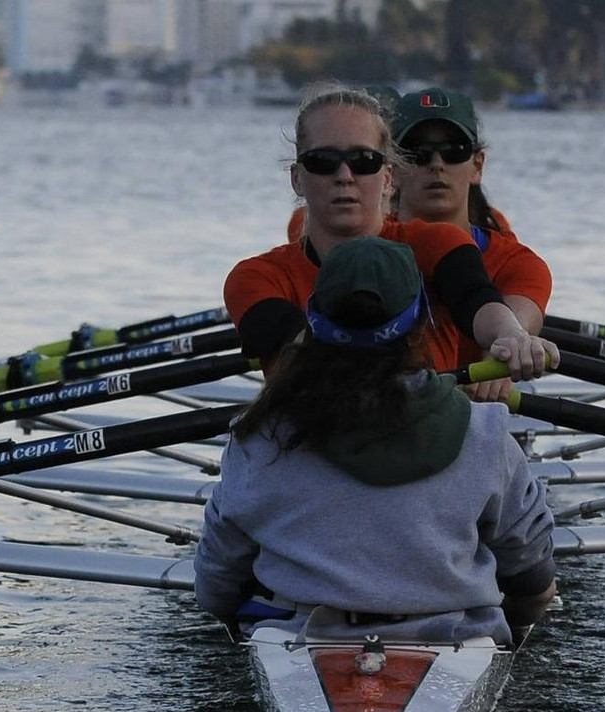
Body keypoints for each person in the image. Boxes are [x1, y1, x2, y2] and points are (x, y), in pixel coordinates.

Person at [194, 236, 558, 644]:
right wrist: (522, 611)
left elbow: (215, 588)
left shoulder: (259, 434)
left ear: (310, 323)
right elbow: (531, 574)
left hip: (297, 636)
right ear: (421, 326)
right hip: (454, 636)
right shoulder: (486, 432)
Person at [224, 85, 557, 381]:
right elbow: (294, 344)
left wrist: (511, 335)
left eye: (363, 160)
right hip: (311, 438)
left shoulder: (439, 244)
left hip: (429, 440)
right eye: (323, 161)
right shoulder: (254, 277)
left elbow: (476, 299)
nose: (344, 176)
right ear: (297, 178)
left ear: (388, 178)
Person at [390, 87, 552, 400]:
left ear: (477, 166)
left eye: (454, 151)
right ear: (393, 170)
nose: (437, 164)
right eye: (417, 153)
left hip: (470, 412)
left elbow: (514, 329)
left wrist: (505, 347)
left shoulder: (519, 264)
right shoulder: (365, 249)